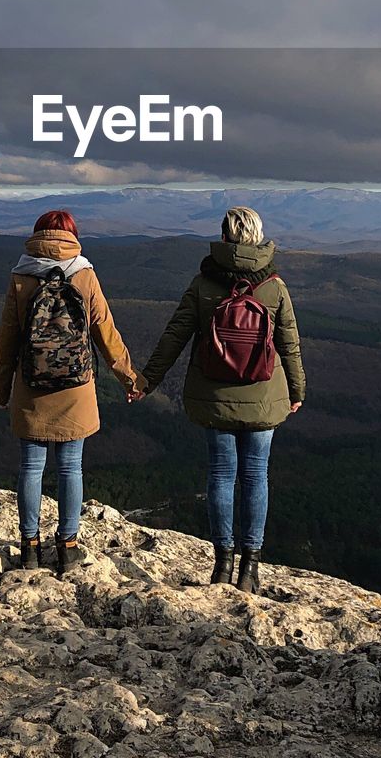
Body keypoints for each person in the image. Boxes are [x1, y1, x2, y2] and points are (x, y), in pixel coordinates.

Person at [134, 206, 305, 594]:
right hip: (264, 397)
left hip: (214, 396)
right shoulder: (274, 286)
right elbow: (289, 346)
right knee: (256, 476)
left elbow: (174, 336)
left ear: (225, 237)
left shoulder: (203, 283)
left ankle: (222, 564)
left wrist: (147, 380)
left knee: (221, 476)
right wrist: (297, 391)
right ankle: (251, 568)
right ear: (258, 237)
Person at [0, 209, 141, 575]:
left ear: (37, 235)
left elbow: (8, 337)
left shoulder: (20, 276)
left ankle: (29, 548)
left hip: (32, 385)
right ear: (72, 236)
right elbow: (106, 332)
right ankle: (68, 546)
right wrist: (129, 378)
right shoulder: (84, 274)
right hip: (76, 386)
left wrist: (2, 385)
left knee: (31, 468)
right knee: (71, 467)